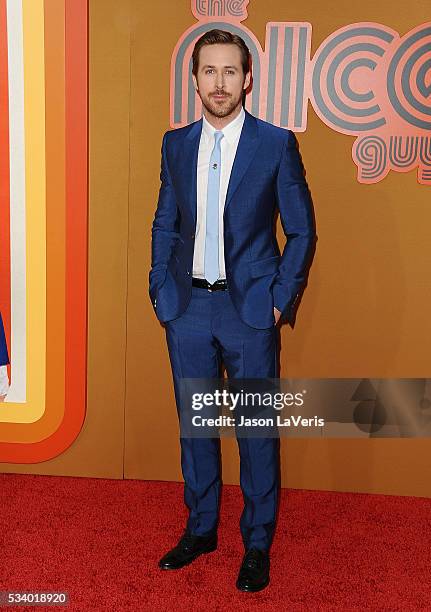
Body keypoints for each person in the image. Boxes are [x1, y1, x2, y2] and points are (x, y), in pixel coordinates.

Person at [149, 29, 316, 592]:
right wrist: (160, 288)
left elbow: (301, 229)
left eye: (229, 72)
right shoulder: (176, 144)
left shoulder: (275, 144)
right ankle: (200, 530)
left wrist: (277, 297)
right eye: (208, 71)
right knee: (196, 430)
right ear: (194, 79)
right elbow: (166, 221)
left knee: (255, 433)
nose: (218, 83)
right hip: (188, 306)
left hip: (249, 312)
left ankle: (257, 543)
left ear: (247, 79)